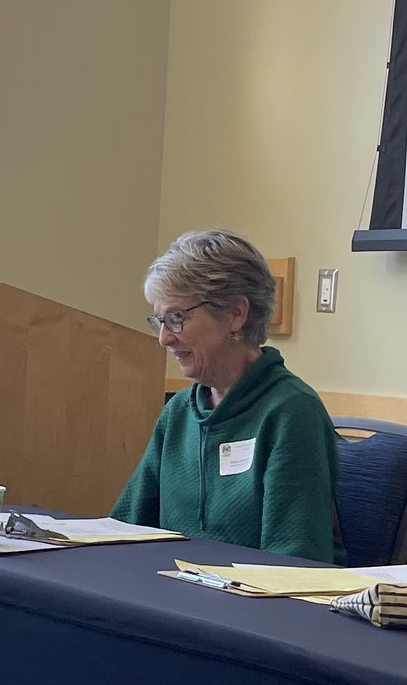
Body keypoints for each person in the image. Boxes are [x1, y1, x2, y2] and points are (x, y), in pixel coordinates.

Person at [111, 230, 342, 562]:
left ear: (236, 314)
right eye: (159, 321)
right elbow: (124, 531)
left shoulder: (291, 412)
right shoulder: (179, 412)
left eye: (176, 319)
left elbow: (294, 563)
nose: (163, 339)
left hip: (252, 610)